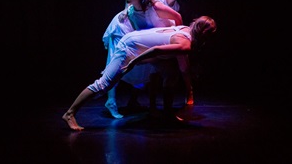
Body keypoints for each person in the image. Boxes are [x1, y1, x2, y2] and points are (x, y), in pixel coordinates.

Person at [62, 15, 217, 131]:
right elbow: (155, 50)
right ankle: (70, 113)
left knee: (171, 73)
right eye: (210, 34)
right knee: (104, 84)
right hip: (129, 47)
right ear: (204, 33)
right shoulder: (185, 44)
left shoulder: (185, 29)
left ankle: (168, 115)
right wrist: (134, 62)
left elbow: (176, 62)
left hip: (135, 41)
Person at [102, 0, 183, 118]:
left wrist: (175, 35)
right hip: (124, 27)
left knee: (143, 67)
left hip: (143, 30)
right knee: (117, 64)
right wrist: (126, 9)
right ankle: (111, 101)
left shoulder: (170, 6)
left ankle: (135, 101)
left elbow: (176, 18)